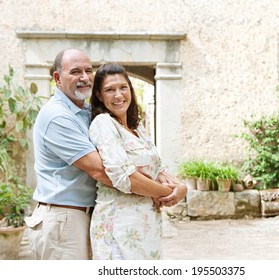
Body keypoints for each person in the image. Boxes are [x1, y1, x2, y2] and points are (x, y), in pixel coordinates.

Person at [89, 62, 187, 260]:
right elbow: (125, 177)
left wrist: (181, 188)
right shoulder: (103, 123)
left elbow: (156, 168)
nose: (118, 95)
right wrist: (168, 193)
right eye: (110, 90)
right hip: (118, 225)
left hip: (147, 224)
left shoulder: (137, 127)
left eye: (123, 87)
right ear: (99, 95)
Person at [25, 48, 113, 260]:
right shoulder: (57, 116)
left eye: (88, 70)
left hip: (80, 217)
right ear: (57, 78)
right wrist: (156, 190)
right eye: (75, 72)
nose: (84, 77)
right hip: (63, 220)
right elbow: (100, 170)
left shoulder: (86, 112)